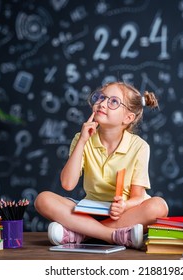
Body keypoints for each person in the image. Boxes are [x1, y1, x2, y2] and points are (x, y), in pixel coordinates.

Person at [34, 81, 169, 249]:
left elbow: (138, 197)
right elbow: (67, 184)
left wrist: (124, 205)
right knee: (43, 199)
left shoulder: (139, 146)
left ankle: (81, 234)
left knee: (158, 206)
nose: (102, 104)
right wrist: (83, 141)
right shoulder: (82, 138)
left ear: (128, 117)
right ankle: (112, 236)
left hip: (122, 214)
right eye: (101, 98)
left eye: (113, 101)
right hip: (89, 211)